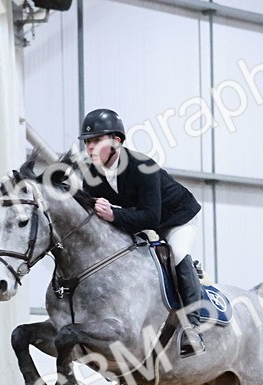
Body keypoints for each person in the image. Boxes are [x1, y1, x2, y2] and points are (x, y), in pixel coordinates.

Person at [76, 108, 207, 357]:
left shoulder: (142, 166)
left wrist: (114, 214)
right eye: (87, 142)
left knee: (177, 252)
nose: (90, 148)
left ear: (117, 141)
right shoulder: (91, 174)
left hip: (176, 218)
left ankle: (193, 327)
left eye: (96, 141)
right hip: (138, 222)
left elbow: (151, 216)